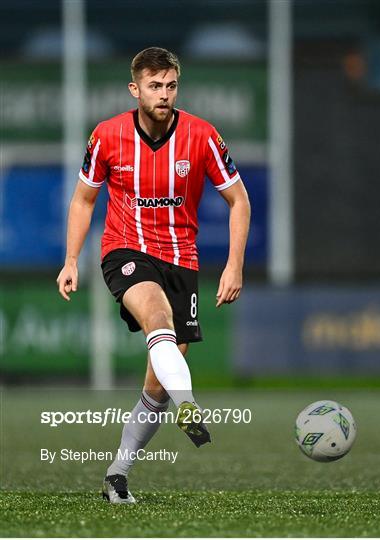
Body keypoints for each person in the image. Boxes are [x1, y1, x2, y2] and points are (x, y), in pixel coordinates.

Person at [56, 47, 251, 504]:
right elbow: (84, 200)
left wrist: (235, 263)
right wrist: (70, 260)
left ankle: (116, 475)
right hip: (126, 250)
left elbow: (238, 200)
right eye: (154, 86)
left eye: (170, 86)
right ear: (135, 89)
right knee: (157, 319)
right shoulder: (107, 136)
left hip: (182, 259)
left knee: (158, 382)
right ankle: (190, 408)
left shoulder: (202, 136)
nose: (163, 95)